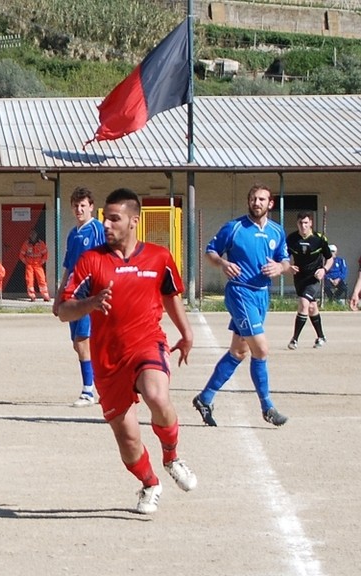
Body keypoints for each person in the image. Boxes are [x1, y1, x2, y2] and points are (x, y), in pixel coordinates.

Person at [57, 188, 196, 515]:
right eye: (105, 218)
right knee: (128, 439)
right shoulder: (91, 260)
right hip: (108, 358)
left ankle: (172, 457)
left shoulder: (159, 257)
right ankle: (150, 483)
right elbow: (62, 309)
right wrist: (90, 303)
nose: (107, 225)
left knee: (156, 395)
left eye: (114, 219)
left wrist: (186, 333)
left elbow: (171, 295)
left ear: (134, 221)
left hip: (147, 342)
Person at [192, 183, 291, 428]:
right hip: (240, 292)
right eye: (253, 199)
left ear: (270, 204)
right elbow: (210, 252)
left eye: (262, 199)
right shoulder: (234, 227)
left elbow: (285, 261)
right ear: (249, 201)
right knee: (261, 349)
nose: (257, 203)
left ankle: (205, 398)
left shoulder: (277, 231)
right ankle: (267, 407)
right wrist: (223, 264)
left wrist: (280, 268)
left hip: (261, 296)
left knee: (239, 351)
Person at [53, 186, 106, 408]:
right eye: (76, 206)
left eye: (83, 205)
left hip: (88, 295)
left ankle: (88, 391)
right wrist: (59, 296)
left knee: (82, 341)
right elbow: (68, 267)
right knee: (78, 344)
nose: (79, 209)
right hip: (72, 295)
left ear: (91, 207)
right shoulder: (73, 234)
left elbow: (105, 259)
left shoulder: (97, 229)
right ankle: (101, 386)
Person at [285, 211, 332, 349]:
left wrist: (324, 270)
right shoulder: (292, 239)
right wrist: (288, 267)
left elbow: (330, 258)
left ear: (310, 223)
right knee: (311, 307)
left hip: (313, 278)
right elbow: (284, 257)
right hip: (299, 278)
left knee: (304, 303)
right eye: (300, 223)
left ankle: (294, 340)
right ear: (297, 223)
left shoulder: (319, 239)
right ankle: (321, 337)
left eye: (306, 223)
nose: (303, 226)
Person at [19, 228, 50, 302]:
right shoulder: (26, 244)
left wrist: (41, 262)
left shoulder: (41, 244)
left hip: (38, 265)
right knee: (29, 280)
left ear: (36, 235)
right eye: (31, 234)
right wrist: (26, 262)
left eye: (34, 234)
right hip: (29, 265)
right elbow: (21, 255)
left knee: (42, 280)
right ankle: (32, 296)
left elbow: (45, 254)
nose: (32, 235)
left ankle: (45, 296)